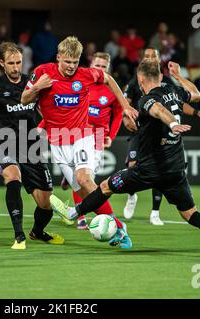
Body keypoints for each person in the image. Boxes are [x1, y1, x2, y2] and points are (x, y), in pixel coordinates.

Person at [70, 60, 200, 260]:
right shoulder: (174, 91)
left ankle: (74, 212)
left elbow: (157, 109)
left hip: (148, 170)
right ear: (160, 77)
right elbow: (197, 95)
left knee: (106, 186)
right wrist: (178, 76)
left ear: (140, 79)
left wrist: (173, 123)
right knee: (190, 213)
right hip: (175, 170)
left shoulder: (146, 100)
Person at [21, 36, 138, 249]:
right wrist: (37, 87)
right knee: (86, 194)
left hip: (82, 136)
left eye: (75, 62)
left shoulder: (85, 74)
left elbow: (109, 79)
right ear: (58, 58)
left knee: (85, 179)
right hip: (57, 143)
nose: (71, 67)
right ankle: (118, 226)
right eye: (67, 62)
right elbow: (24, 99)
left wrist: (126, 106)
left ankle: (118, 230)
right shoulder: (42, 72)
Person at [0, 42, 71, 249]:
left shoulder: (31, 84)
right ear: (1, 63)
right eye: (11, 63)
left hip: (31, 146)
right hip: (5, 143)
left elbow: (49, 113)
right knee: (13, 178)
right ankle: (19, 236)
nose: (16, 67)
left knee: (45, 204)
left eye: (19, 62)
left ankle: (37, 232)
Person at [123, 48, 200, 225]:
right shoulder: (136, 81)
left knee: (160, 166)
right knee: (132, 166)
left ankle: (155, 212)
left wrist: (196, 113)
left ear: (159, 60)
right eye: (147, 56)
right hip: (141, 130)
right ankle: (131, 194)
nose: (150, 58)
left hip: (161, 130)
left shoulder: (166, 82)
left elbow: (179, 105)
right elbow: (126, 104)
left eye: (153, 56)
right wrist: (125, 117)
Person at [52, 52, 124, 230]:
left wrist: (111, 136)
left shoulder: (110, 89)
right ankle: (81, 216)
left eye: (103, 67)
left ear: (108, 70)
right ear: (90, 65)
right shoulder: (82, 82)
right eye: (97, 66)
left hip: (98, 136)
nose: (99, 69)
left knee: (86, 178)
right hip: (75, 133)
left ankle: (77, 208)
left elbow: (119, 113)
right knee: (83, 177)